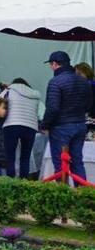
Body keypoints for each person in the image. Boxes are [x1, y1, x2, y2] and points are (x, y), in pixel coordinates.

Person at [42, 50, 93, 182]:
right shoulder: (83, 81)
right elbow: (89, 105)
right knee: (77, 162)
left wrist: (44, 125)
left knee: (60, 165)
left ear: (54, 64)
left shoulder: (55, 82)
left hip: (61, 128)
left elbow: (52, 108)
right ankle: (82, 196)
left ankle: (63, 196)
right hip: (80, 125)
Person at [2, 77, 43, 179]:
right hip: (30, 127)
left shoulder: (8, 91)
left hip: (11, 125)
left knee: (10, 155)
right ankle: (23, 181)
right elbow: (40, 114)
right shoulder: (35, 95)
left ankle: (10, 180)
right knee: (25, 156)